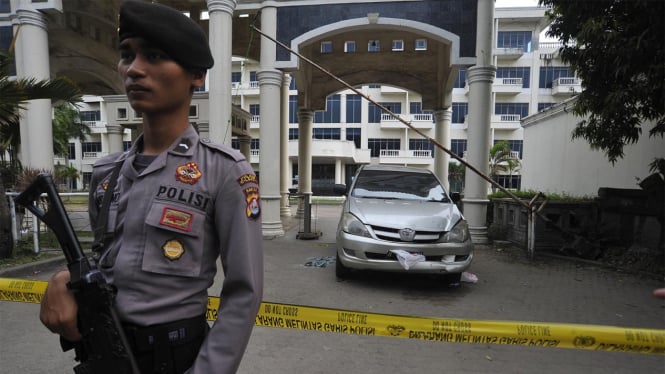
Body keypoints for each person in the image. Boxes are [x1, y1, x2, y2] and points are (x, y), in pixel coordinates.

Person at [38, 1, 263, 373]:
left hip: (176, 359)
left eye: (155, 56)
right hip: (105, 352)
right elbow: (109, 259)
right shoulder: (106, 173)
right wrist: (65, 279)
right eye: (127, 55)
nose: (135, 70)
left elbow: (244, 292)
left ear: (196, 75)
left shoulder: (224, 171)